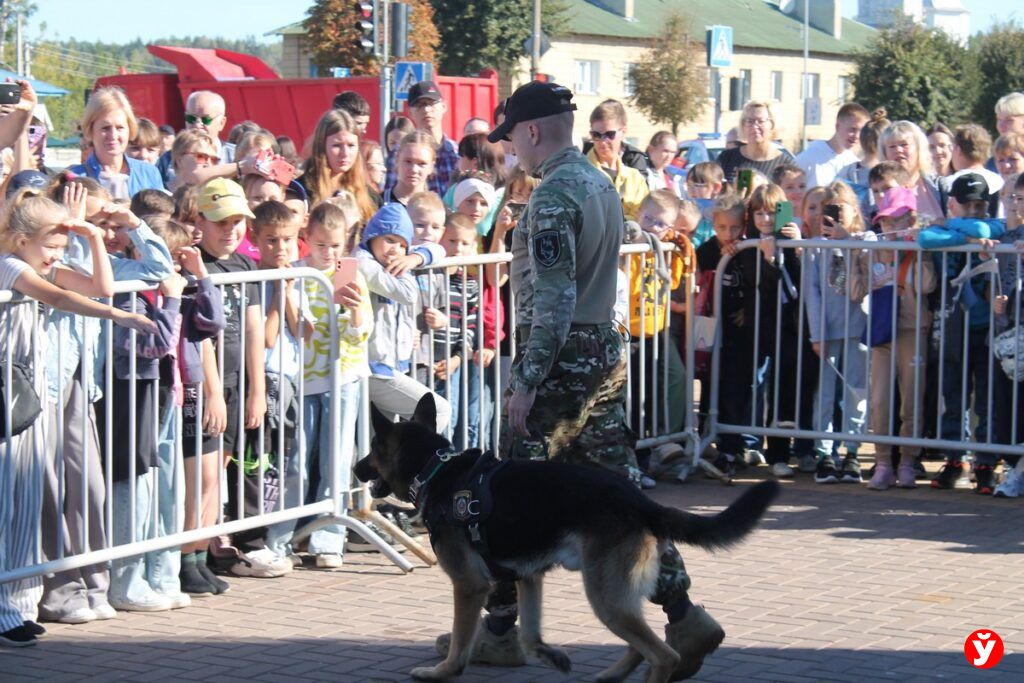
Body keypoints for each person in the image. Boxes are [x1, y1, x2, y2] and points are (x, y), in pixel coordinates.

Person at [477, 80, 723, 681]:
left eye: (513, 139)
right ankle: (684, 615)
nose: (513, 151)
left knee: (511, 494)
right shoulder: (600, 183)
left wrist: (527, 378)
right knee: (621, 497)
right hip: (602, 354)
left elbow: (554, 300)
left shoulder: (556, 195)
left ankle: (501, 629)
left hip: (561, 361)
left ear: (533, 131)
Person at [0, 191, 156, 646]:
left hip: (26, 398)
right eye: (50, 245)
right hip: (8, 393)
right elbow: (62, 298)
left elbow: (100, 286)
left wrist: (89, 235)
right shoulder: (11, 265)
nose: (55, 255)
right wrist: (115, 316)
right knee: (8, 503)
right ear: (22, 240)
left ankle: (18, 606)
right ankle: (7, 607)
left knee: (26, 503)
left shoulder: (44, 261)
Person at [99, 220, 186, 612]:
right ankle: (125, 583)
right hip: (124, 391)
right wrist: (172, 302)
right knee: (131, 491)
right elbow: (155, 344)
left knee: (150, 492)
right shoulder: (122, 286)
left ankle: (148, 578)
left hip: (153, 394)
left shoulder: (134, 279)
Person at [918, 173, 1004, 493]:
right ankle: (955, 459)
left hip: (985, 327)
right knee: (953, 396)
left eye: (979, 205)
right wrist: (964, 236)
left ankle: (985, 463)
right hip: (954, 326)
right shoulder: (944, 229)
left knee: (984, 399)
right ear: (952, 203)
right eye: (965, 204)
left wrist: (956, 229)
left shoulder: (993, 227)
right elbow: (926, 240)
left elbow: (986, 229)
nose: (972, 211)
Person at [850, 187, 935, 490]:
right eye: (886, 221)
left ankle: (908, 461)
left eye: (899, 220)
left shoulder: (919, 249)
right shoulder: (870, 251)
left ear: (911, 219)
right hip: (883, 333)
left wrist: (915, 250)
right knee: (879, 400)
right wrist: (854, 254)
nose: (892, 228)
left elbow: (928, 285)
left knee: (911, 398)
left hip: (913, 330)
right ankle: (883, 461)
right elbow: (853, 290)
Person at [358, 202, 452, 431]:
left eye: (402, 245)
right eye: (389, 240)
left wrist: (415, 258)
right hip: (373, 369)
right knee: (439, 410)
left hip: (391, 365)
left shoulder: (397, 261)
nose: (395, 250)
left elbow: (439, 250)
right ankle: (418, 463)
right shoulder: (363, 262)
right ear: (372, 236)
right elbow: (408, 293)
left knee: (377, 439)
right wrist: (407, 265)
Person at [746, 184, 818, 478]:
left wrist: (798, 248)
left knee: (806, 390)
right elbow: (763, 288)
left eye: (772, 213)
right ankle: (777, 452)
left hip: (801, 327)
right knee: (778, 393)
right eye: (759, 213)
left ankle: (805, 449)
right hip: (772, 331)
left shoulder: (792, 240)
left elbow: (805, 282)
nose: (765, 219)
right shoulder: (750, 245)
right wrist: (767, 259)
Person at [624, 190, 694, 482]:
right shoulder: (629, 244)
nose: (652, 225)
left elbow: (675, 280)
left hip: (658, 327)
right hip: (633, 329)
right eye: (648, 218)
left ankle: (666, 440)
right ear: (639, 213)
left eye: (660, 223)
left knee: (674, 376)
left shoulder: (666, 247)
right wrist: (641, 245)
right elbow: (630, 283)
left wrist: (680, 250)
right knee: (635, 398)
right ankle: (636, 464)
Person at [803, 181, 869, 483]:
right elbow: (812, 293)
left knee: (857, 391)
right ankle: (825, 452)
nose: (833, 215)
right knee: (825, 393)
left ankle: (853, 449)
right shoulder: (815, 248)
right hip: (828, 331)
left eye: (839, 209)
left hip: (858, 327)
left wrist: (848, 240)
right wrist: (817, 334)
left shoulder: (865, 239)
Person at [991, 172, 1024, 498]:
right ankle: (1015, 470)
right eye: (1015, 198)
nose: (1017, 204)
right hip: (1014, 333)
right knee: (1012, 409)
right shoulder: (1008, 235)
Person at [68, 87, 163, 199]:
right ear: (90, 130)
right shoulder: (75, 179)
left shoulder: (148, 174)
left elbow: (161, 215)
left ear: (130, 129)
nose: (113, 135)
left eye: (120, 128)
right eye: (105, 128)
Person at [300, 109, 378, 221]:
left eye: (351, 145)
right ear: (321, 146)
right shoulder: (302, 191)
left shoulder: (368, 195)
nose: (345, 153)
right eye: (337, 145)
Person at [383, 81, 459, 196]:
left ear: (444, 107)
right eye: (419, 105)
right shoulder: (400, 153)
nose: (426, 110)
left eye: (431, 103)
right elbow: (391, 199)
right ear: (410, 113)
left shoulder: (456, 152)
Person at [155, 91, 236, 186]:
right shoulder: (167, 159)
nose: (197, 125)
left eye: (206, 120)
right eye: (191, 118)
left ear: (222, 123)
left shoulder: (235, 156)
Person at [585, 100, 649, 220]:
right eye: (596, 135)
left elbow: (642, 218)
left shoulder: (635, 179)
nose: (603, 142)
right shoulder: (578, 173)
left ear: (623, 132)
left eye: (609, 134)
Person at [880, 121, 947, 225]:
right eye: (892, 146)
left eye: (904, 145)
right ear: (885, 153)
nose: (898, 150)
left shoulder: (939, 186)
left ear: (919, 148)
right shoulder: (877, 190)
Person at [717, 101, 795, 185]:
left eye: (761, 121)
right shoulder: (726, 158)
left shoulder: (786, 164)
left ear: (772, 125)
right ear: (743, 125)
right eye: (749, 121)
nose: (754, 126)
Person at [795, 102, 870, 187]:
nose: (856, 136)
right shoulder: (809, 158)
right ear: (837, 126)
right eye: (852, 129)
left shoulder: (854, 163)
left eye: (861, 131)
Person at [644, 131, 681, 195]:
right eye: (665, 151)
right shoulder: (643, 174)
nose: (669, 156)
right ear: (651, 149)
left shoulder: (673, 176)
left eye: (673, 152)